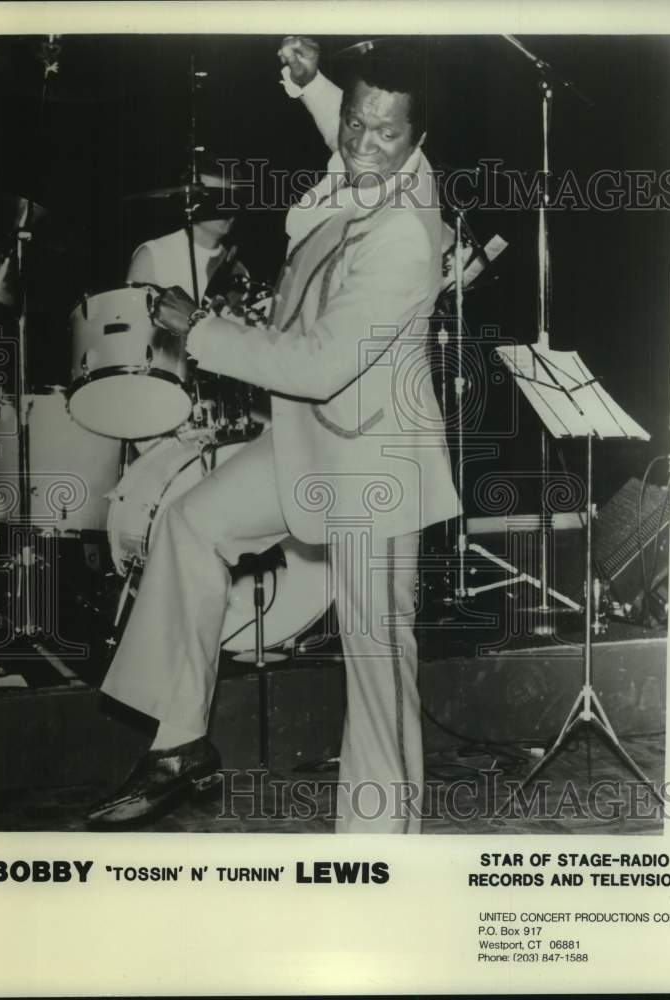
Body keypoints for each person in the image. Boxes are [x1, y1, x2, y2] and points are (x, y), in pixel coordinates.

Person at [88, 37, 459, 833]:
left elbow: (322, 364)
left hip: (372, 463)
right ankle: (180, 741)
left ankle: (381, 846)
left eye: (384, 134)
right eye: (354, 123)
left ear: (417, 146)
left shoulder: (402, 234)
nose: (361, 143)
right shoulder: (369, 152)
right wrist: (314, 85)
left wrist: (205, 332)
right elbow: (356, 120)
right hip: (311, 440)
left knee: (377, 661)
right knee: (190, 521)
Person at [126, 159, 249, 307]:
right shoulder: (153, 255)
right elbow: (134, 324)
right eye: (214, 198)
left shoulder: (238, 271)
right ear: (189, 201)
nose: (226, 207)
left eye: (232, 199)